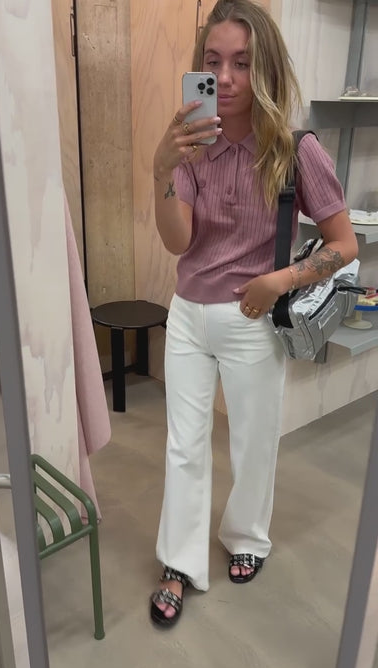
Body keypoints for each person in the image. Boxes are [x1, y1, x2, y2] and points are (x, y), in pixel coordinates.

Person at [150, 0, 358, 628]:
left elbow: (345, 245)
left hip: (251, 318)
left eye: (242, 62)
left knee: (253, 442)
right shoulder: (192, 146)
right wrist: (161, 171)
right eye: (213, 62)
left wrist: (279, 279)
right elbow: (178, 242)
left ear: (264, 67)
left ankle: (246, 537)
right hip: (187, 316)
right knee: (183, 446)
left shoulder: (294, 149)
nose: (226, 77)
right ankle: (180, 561)